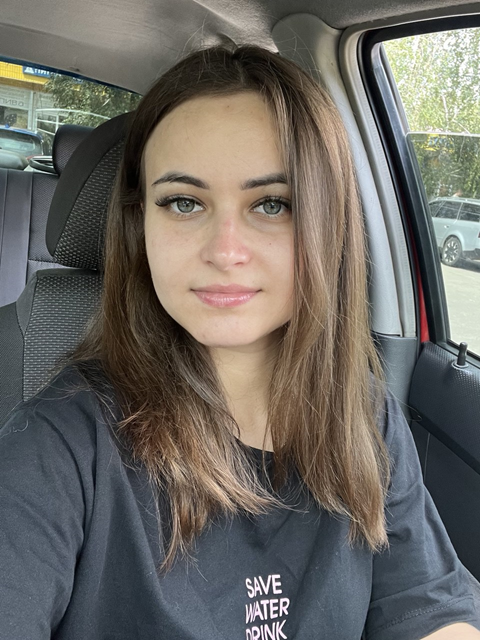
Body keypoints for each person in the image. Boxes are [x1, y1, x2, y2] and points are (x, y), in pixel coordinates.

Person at [0, 45, 478, 640]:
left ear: (328, 224)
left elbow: (428, 609)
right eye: (183, 202)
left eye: (272, 204)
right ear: (139, 224)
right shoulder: (58, 445)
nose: (225, 251)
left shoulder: (364, 414)